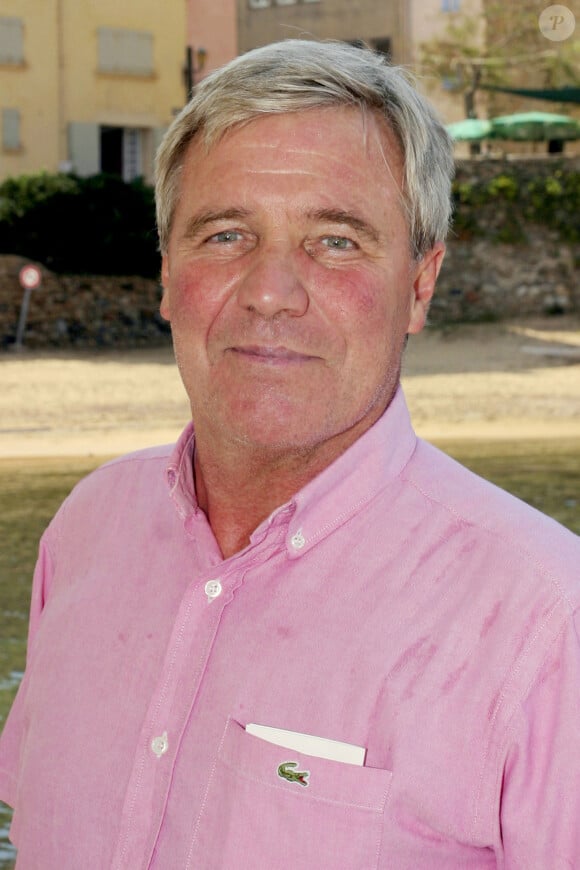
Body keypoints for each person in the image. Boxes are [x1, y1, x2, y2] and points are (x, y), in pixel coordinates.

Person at [0, 39, 579, 870]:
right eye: (227, 233)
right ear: (166, 271)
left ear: (420, 284)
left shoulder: (549, 623)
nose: (272, 290)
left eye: (336, 241)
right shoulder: (86, 531)